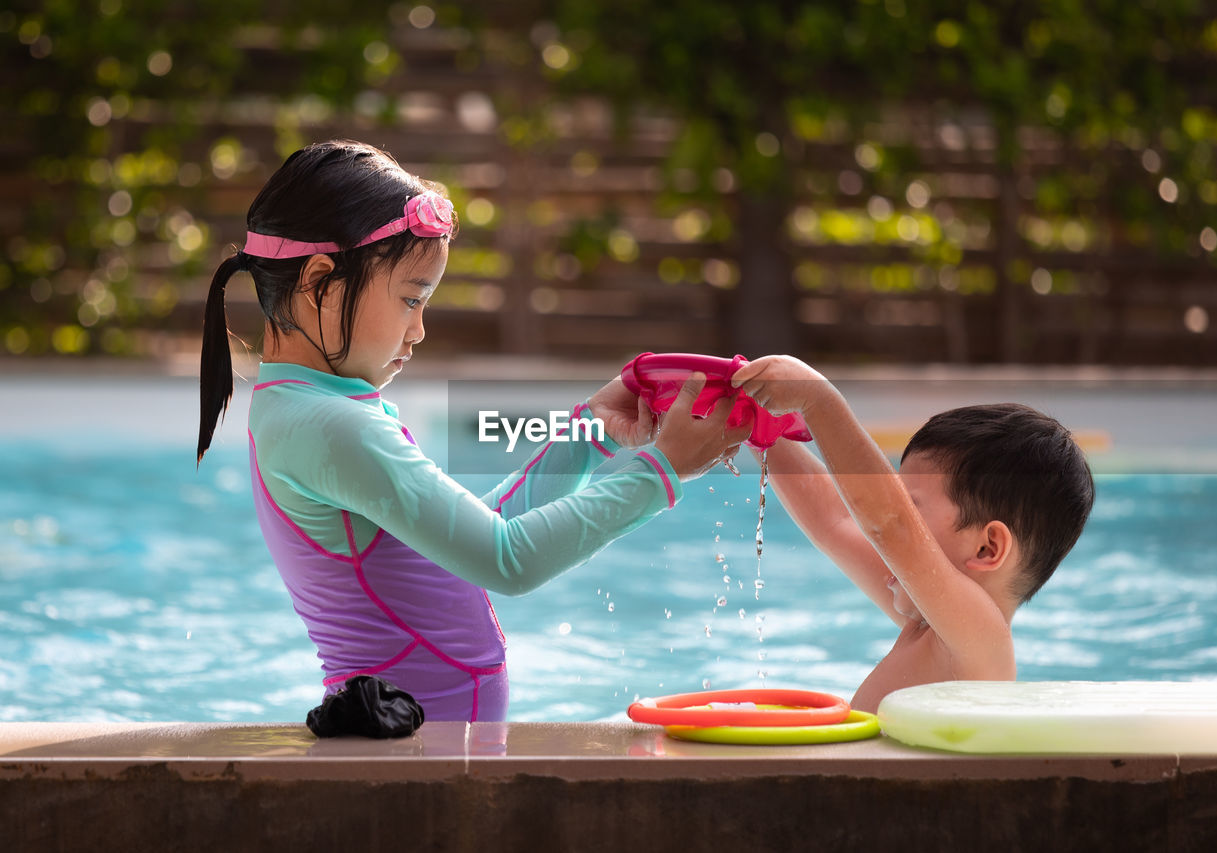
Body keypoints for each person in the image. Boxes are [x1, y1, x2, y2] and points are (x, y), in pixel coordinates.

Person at [197, 139, 747, 722]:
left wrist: (589, 436)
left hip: (412, 746)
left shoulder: (309, 409)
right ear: (320, 284)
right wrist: (662, 470)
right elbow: (507, 561)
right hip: (413, 759)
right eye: (412, 299)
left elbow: (473, 542)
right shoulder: (332, 426)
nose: (420, 330)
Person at [731, 355, 1094, 712]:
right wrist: (761, 430)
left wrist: (818, 400)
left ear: (987, 548)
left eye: (911, 505)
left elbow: (891, 525)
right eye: (898, 501)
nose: (886, 515)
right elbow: (835, 521)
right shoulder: (928, 623)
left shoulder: (981, 637)